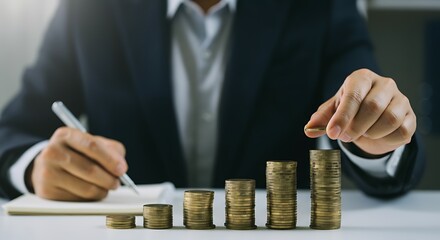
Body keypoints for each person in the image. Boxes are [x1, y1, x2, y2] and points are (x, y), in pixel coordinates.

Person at [0, 0, 424, 201]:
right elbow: (12, 131)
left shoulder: (319, 6)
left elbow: (362, 99)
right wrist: (37, 165)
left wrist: (375, 134)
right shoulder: (90, 9)